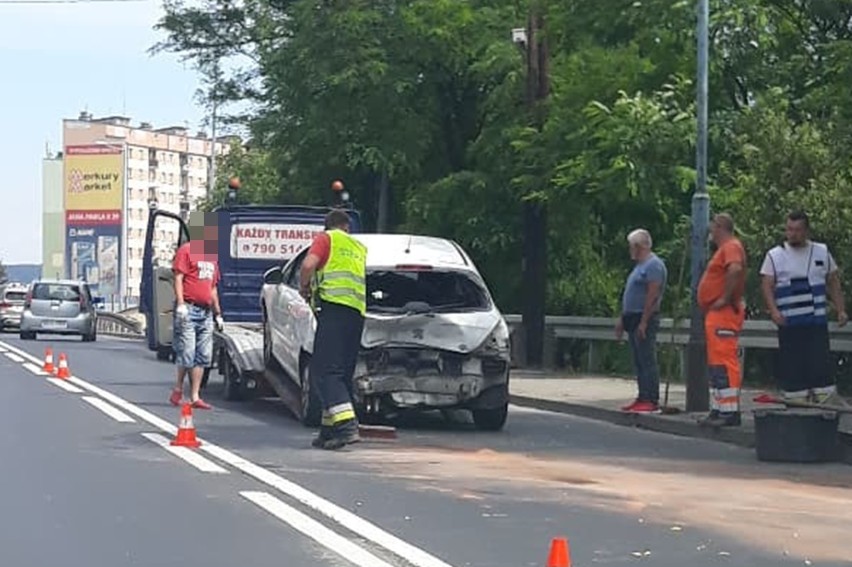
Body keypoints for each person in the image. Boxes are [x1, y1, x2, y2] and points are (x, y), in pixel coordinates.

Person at [759, 210, 848, 405]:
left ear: (806, 231)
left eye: (797, 230)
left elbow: (833, 280)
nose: (792, 234)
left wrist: (840, 309)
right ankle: (796, 400)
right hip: (790, 322)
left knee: (819, 362)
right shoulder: (775, 255)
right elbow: (767, 284)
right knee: (793, 365)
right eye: (789, 229)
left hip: (816, 321)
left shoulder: (821, 252)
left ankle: (824, 399)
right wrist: (773, 311)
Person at [298, 209, 368, 450]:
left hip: (334, 310)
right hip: (356, 314)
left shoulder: (326, 238)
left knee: (323, 371)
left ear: (329, 226)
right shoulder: (358, 248)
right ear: (348, 227)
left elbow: (308, 265)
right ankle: (329, 431)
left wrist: (304, 287)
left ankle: (347, 426)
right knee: (339, 374)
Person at [169, 211, 224, 410]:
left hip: (206, 312)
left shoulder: (211, 256)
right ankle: (178, 389)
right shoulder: (186, 250)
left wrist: (218, 313)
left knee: (203, 355)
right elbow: (178, 278)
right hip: (189, 309)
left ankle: (194, 396)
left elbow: (213, 287)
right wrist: (181, 304)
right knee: (188, 352)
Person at [697, 213, 747, 427]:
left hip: (724, 311)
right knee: (716, 363)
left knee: (724, 362)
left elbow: (735, 269)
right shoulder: (726, 249)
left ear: (720, 227)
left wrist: (725, 297)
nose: (710, 231)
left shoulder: (731, 247)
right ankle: (720, 408)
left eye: (712, 226)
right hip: (717, 313)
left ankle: (730, 412)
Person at [616, 229, 668, 413]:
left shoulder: (653, 265)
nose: (630, 250)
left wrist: (644, 321)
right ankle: (642, 395)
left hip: (643, 317)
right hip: (632, 317)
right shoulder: (639, 266)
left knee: (647, 359)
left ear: (640, 246)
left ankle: (651, 399)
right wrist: (622, 320)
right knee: (638, 360)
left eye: (632, 246)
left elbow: (652, 295)